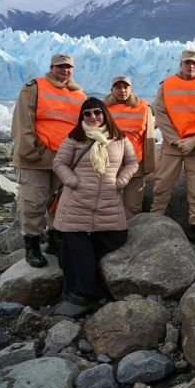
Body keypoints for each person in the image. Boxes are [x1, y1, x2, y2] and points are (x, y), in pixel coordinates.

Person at [52, 98, 138, 305]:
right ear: (82, 116)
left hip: (107, 200)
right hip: (76, 201)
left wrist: (121, 181)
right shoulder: (75, 138)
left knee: (117, 237)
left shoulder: (119, 138)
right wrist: (73, 181)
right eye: (87, 113)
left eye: (97, 112)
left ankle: (81, 272)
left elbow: (132, 162)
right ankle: (84, 291)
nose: (93, 117)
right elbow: (59, 163)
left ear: (105, 114)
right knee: (78, 243)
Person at [12, 53, 86, 267]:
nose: (65, 70)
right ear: (51, 67)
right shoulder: (35, 87)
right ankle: (32, 246)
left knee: (60, 202)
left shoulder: (79, 94)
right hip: (36, 157)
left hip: (65, 158)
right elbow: (22, 121)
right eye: (60, 66)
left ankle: (55, 240)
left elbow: (82, 127)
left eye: (68, 66)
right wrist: (29, 151)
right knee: (33, 201)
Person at [150, 49, 195, 242]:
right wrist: (175, 139)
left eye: (194, 63)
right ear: (181, 64)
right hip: (173, 145)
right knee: (162, 184)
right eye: (187, 62)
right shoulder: (167, 84)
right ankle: (154, 219)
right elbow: (159, 113)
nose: (190, 66)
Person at [104, 76, 155, 218]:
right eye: (118, 87)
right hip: (109, 165)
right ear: (111, 90)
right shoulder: (101, 108)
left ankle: (130, 231)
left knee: (133, 207)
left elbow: (149, 138)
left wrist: (149, 166)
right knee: (106, 204)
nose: (122, 90)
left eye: (125, 87)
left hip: (135, 164)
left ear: (131, 89)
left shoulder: (143, 107)